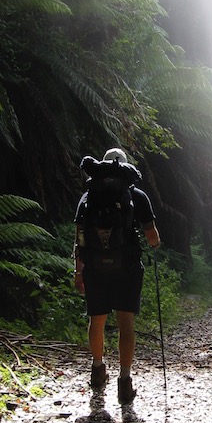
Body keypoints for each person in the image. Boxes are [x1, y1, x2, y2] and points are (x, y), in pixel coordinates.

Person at [73, 148, 160, 404]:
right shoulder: (137, 195)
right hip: (128, 267)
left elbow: (80, 237)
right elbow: (151, 234)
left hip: (95, 267)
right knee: (126, 322)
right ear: (125, 167)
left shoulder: (88, 196)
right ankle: (124, 381)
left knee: (97, 320)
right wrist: (155, 245)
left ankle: (98, 370)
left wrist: (79, 271)